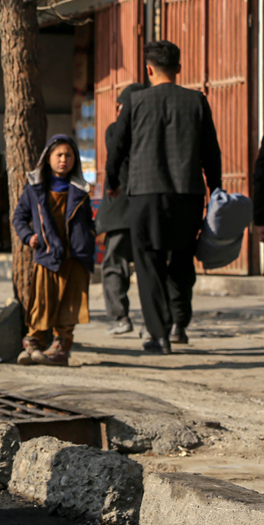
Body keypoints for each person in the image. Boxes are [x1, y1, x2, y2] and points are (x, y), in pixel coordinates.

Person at [106, 41, 222, 354]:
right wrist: (217, 187)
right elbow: (211, 150)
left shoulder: (136, 102)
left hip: (145, 193)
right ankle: (179, 324)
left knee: (148, 262)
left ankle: (158, 335)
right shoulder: (197, 101)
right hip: (187, 193)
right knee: (183, 257)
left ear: (148, 69)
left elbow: (117, 145)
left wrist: (112, 180)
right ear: (179, 68)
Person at [13, 136, 96, 366]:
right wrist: (29, 237)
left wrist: (88, 238)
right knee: (42, 302)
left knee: (69, 304)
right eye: (59, 155)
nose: (63, 160)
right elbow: (19, 218)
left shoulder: (80, 189)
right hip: (47, 253)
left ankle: (61, 348)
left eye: (68, 155)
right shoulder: (35, 189)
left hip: (75, 256)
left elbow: (88, 220)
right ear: (48, 158)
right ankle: (33, 344)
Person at [96, 83, 148, 337]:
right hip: (147, 210)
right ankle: (153, 322)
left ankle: (120, 318)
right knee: (150, 267)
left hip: (120, 211)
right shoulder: (151, 131)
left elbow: (114, 161)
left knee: (115, 265)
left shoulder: (115, 130)